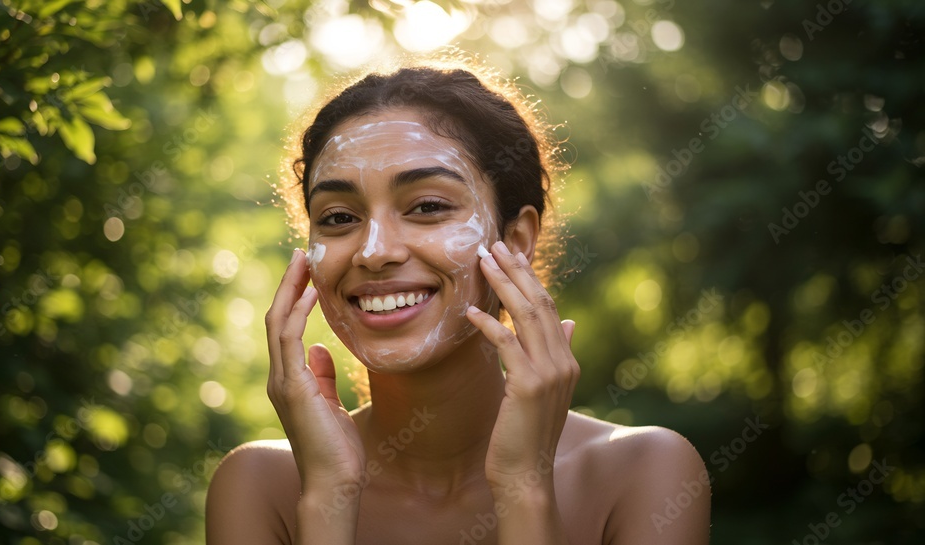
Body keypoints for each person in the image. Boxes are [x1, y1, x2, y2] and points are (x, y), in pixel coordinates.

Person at [206, 55, 711, 544]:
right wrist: (328, 497)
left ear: (515, 240)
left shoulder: (644, 472)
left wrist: (524, 487)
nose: (374, 251)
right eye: (338, 217)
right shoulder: (260, 487)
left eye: (427, 206)